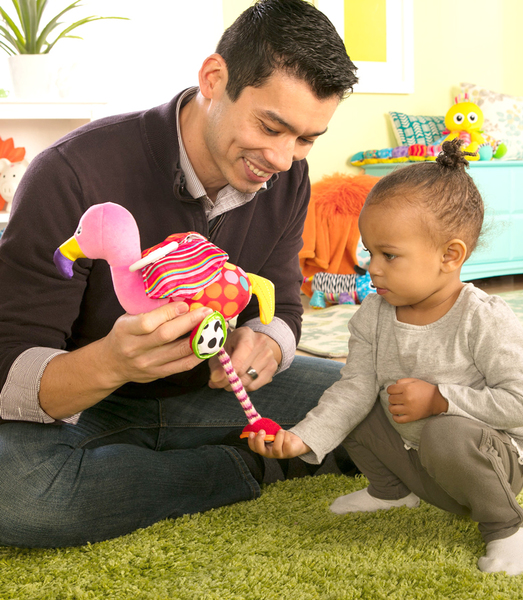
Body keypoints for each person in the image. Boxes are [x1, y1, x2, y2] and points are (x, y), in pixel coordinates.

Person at [0, 0, 358, 548]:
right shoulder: (71, 172)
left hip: (214, 393)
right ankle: (243, 469)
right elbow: (9, 362)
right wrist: (112, 363)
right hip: (84, 407)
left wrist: (265, 344)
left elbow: (284, 306)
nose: (285, 159)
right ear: (214, 79)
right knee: (19, 496)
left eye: (307, 139)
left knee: (385, 397)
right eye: (272, 126)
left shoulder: (288, 177)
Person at [249, 139, 523, 576]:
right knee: (357, 401)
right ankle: (391, 490)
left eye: (389, 255)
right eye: (369, 251)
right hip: (416, 459)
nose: (372, 266)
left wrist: (441, 399)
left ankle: (505, 527)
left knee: (446, 434)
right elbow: (353, 389)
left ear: (450, 255)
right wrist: (305, 438)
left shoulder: (483, 319)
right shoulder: (372, 314)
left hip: (488, 464)